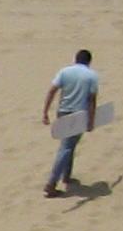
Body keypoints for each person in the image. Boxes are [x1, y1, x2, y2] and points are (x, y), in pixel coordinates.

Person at [42, 48, 98, 195]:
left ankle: (66, 175)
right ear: (89, 61)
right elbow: (92, 100)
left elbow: (52, 90)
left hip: (63, 111)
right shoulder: (91, 76)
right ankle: (51, 183)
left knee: (70, 145)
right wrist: (91, 120)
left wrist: (45, 111)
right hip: (79, 114)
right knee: (66, 147)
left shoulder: (65, 71)